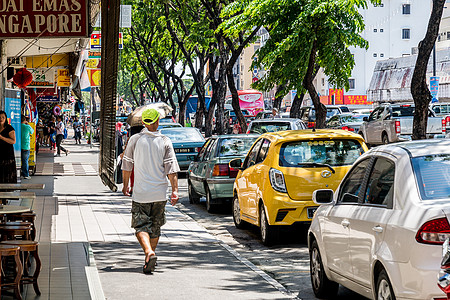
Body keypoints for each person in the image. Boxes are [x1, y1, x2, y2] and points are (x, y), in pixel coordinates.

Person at [122, 108, 180, 274]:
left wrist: (125, 185)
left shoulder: (135, 140)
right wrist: (174, 191)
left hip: (141, 193)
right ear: (157, 122)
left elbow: (127, 165)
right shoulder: (164, 141)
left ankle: (149, 252)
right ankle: (148, 260)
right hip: (159, 194)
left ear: (144, 123)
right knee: (155, 228)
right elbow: (171, 169)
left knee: (141, 226)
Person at [0, 111, 17, 183]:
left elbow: (13, 141)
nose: (1, 119)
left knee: (7, 175)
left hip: (7, 155)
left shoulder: (9, 128)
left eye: (3, 117)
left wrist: (1, 137)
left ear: (5, 118)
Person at [20, 115, 34, 179]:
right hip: (25, 146)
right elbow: (32, 131)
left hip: (18, 146)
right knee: (25, 161)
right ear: (25, 120)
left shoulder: (17, 126)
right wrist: (28, 124)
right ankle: (26, 175)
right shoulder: (27, 127)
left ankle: (19, 172)